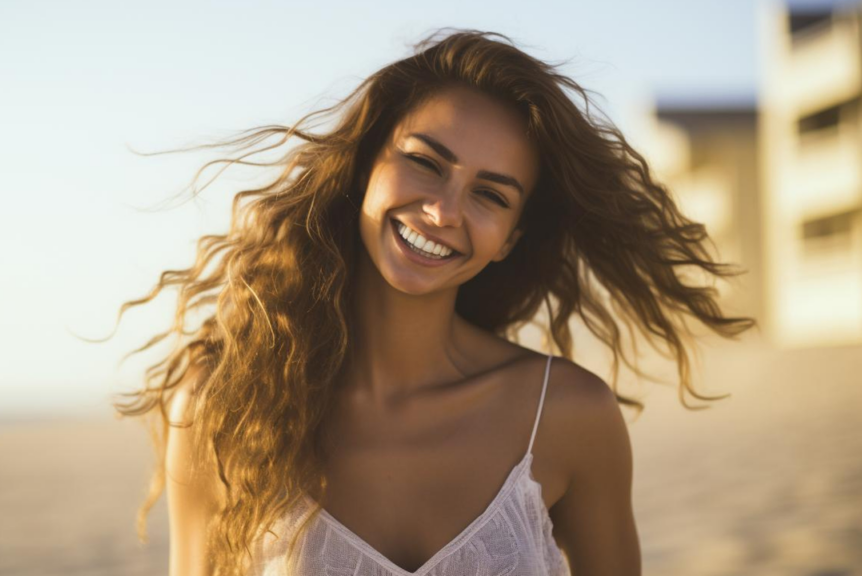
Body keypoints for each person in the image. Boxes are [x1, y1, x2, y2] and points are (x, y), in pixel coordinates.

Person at [109, 28, 756, 576]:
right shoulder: (226, 406)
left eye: (491, 196)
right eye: (425, 162)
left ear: (509, 241)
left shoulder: (565, 417)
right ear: (365, 164)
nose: (444, 211)